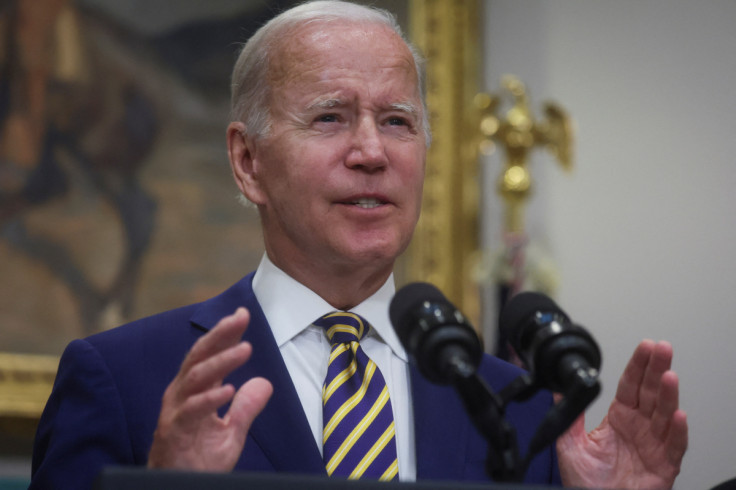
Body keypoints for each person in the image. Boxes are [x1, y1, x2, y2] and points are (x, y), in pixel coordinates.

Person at [30, 1, 688, 488]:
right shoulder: (123, 381)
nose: (371, 152)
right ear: (248, 162)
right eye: (330, 118)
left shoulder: (513, 408)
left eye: (397, 121)